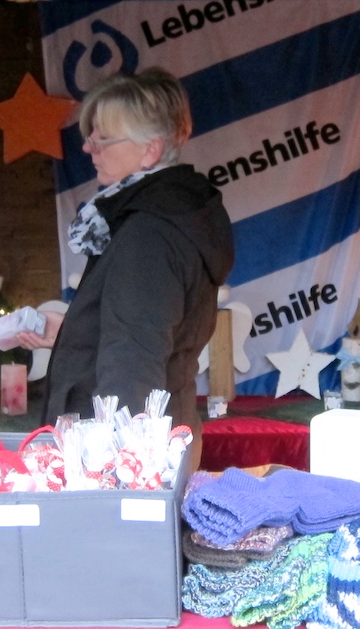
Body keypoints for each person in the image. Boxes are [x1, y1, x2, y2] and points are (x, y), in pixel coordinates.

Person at [16, 67, 234, 472]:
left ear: (150, 150)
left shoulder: (149, 231)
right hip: (151, 441)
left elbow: (134, 361)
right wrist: (73, 330)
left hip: (117, 457)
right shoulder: (166, 215)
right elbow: (145, 329)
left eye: (102, 138)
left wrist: (119, 473)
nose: (87, 147)